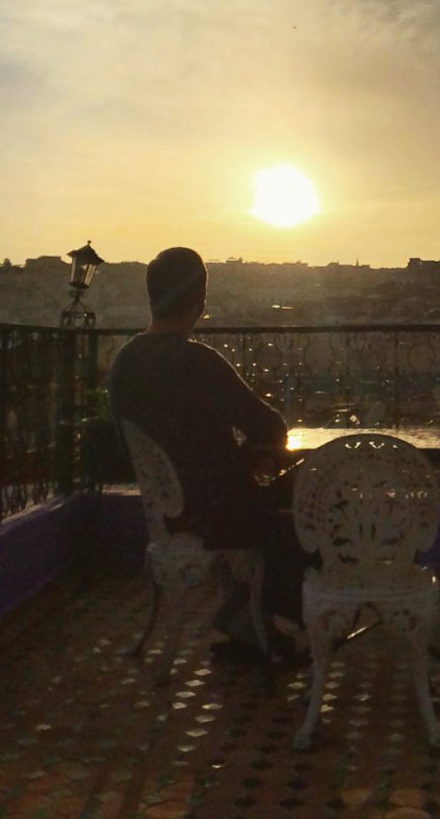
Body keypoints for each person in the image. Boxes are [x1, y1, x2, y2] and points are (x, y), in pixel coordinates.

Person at [108, 246, 305, 658]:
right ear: (200, 303)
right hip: (216, 511)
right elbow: (271, 426)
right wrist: (255, 456)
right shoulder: (198, 363)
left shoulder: (125, 362)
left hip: (168, 511)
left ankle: (248, 619)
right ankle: (254, 616)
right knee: (306, 507)